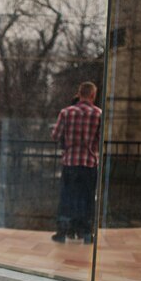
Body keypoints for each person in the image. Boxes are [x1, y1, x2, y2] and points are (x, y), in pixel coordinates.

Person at [51, 81, 102, 244]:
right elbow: (101, 140)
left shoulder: (66, 112)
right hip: (89, 163)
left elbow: (55, 135)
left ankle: (63, 231)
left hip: (70, 162)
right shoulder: (99, 114)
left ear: (78, 94)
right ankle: (86, 232)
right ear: (93, 95)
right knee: (87, 198)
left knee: (67, 197)